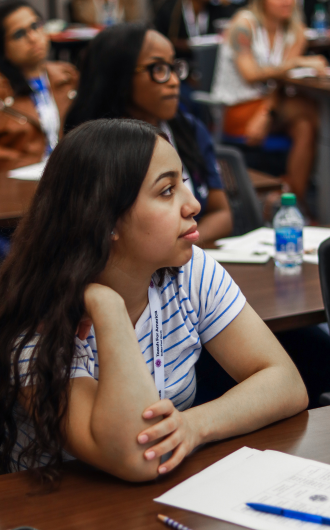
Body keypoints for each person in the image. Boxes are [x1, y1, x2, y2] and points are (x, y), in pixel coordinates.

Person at [0, 118, 307, 481]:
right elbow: (138, 457)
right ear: (107, 220)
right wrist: (107, 306)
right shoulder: (39, 319)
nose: (192, 204)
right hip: (61, 511)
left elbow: (287, 383)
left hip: (158, 499)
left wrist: (195, 425)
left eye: (185, 184)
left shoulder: (188, 271)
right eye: (166, 191)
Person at [65, 23, 232, 245]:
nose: (174, 81)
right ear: (118, 76)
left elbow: (222, 214)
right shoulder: (93, 148)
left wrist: (182, 245)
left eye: (174, 68)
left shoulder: (188, 129)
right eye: (158, 69)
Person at [212, 0, 327, 207]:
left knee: (306, 126)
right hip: (239, 107)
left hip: (272, 106)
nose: (287, 1)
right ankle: (289, 202)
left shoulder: (296, 30)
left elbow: (279, 82)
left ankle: (289, 202)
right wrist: (296, 63)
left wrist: (266, 112)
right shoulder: (243, 24)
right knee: (311, 110)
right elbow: (250, 74)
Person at [0, 1, 78, 170]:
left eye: (35, 26)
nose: (33, 38)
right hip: (18, 183)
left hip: (69, 176)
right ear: (3, 47)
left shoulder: (68, 76)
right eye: (19, 34)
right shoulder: (2, 90)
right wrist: (31, 164)